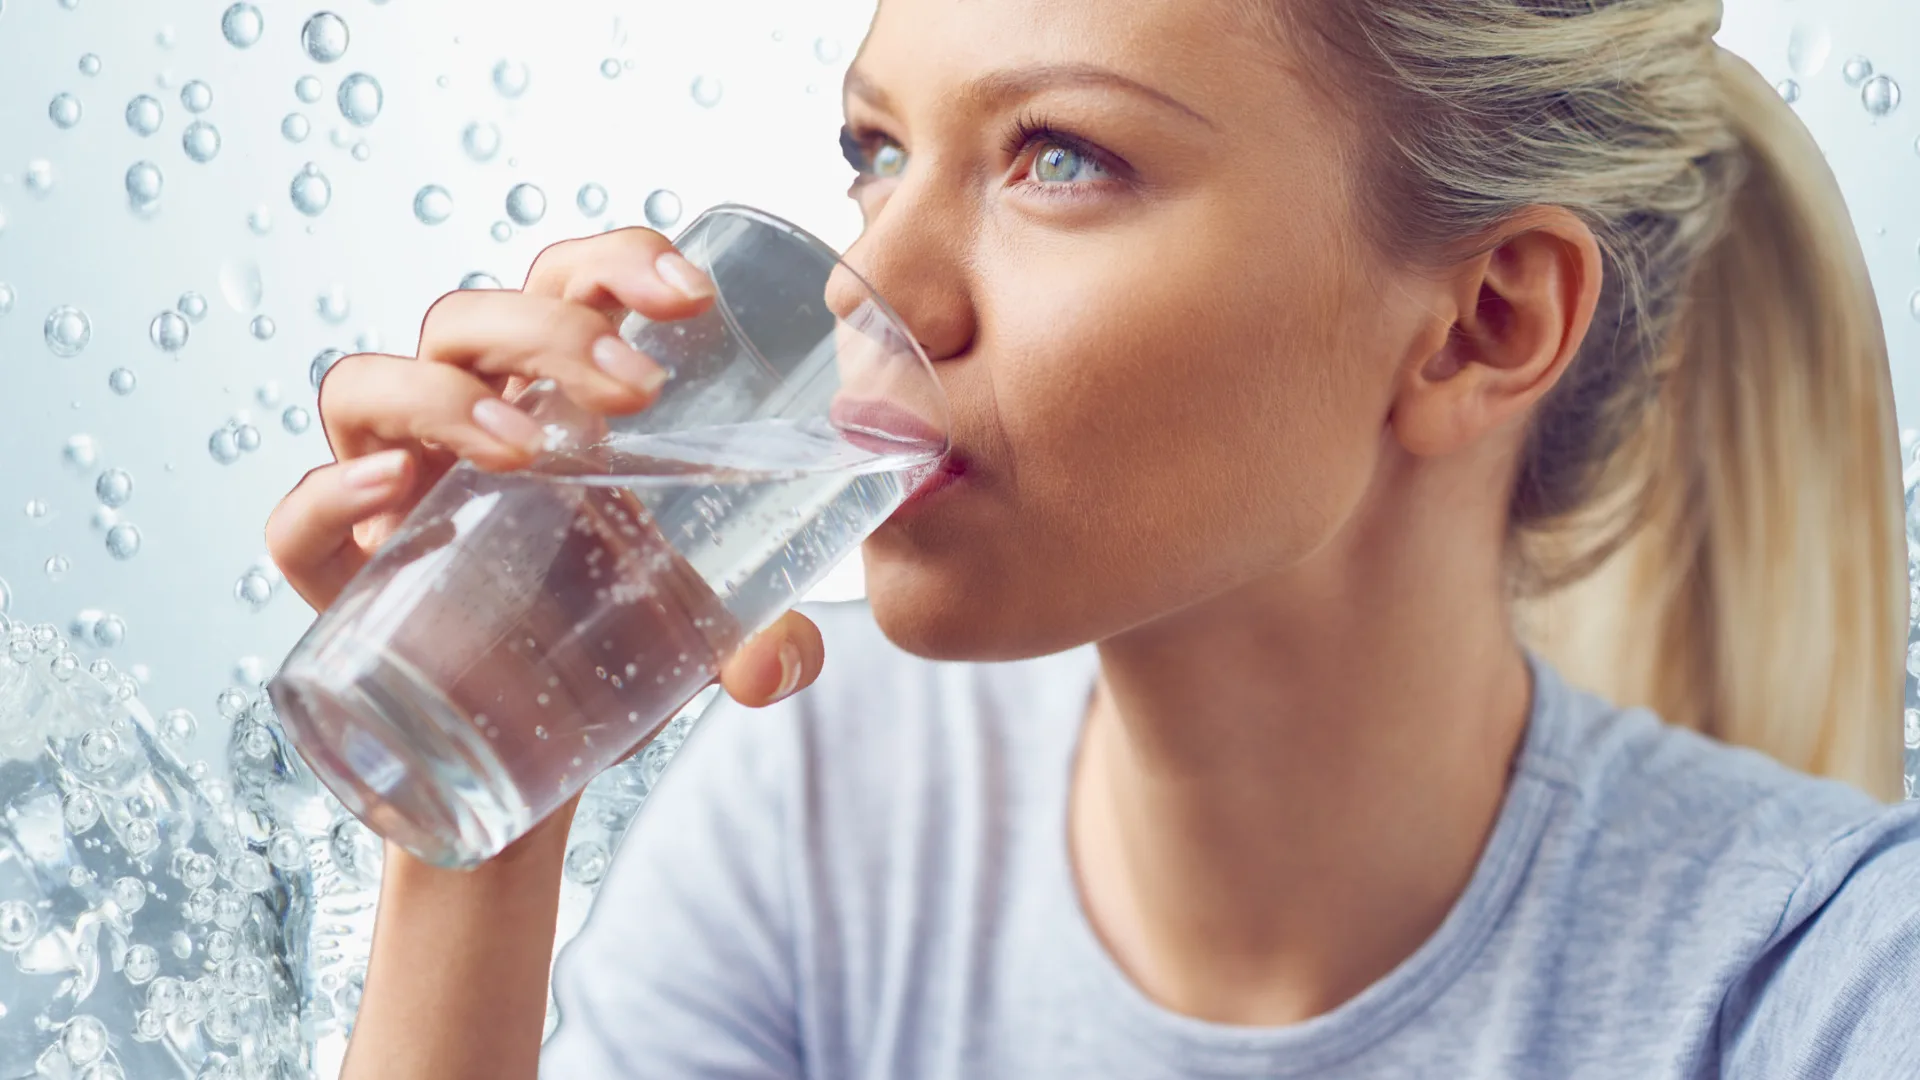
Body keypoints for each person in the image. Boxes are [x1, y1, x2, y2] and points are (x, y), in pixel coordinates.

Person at [264, 0, 1920, 1075]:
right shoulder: (821, 835)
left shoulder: (1817, 992)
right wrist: (486, 787)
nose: (869, 296)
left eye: (1061, 157)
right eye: (878, 156)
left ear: (1483, 324)